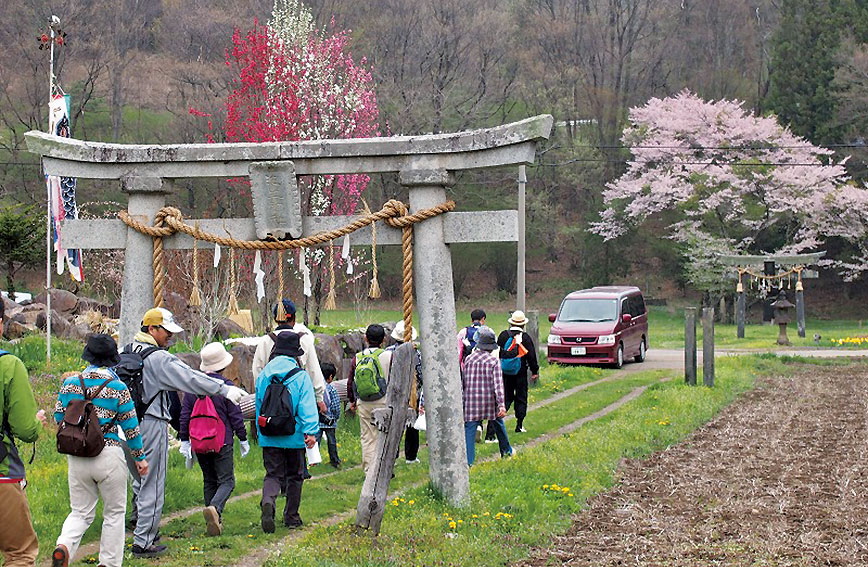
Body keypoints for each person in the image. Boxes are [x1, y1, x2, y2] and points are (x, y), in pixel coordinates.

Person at [128, 307, 248, 558]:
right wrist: (223, 390)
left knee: (138, 481)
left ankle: (139, 524)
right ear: (152, 329)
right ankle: (144, 541)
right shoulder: (159, 359)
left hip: (125, 425)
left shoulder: (126, 351)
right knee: (153, 481)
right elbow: (191, 378)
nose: (170, 337)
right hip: (151, 423)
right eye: (166, 331)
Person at [52, 334, 149, 567]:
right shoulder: (118, 388)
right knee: (114, 514)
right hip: (109, 453)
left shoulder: (71, 383)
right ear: (111, 359)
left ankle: (64, 545)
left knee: (80, 512)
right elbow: (131, 427)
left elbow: (58, 417)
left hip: (78, 456)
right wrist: (140, 459)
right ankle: (108, 563)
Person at [178, 342, 250, 537]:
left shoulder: (193, 388)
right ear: (223, 365)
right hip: (222, 440)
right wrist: (243, 438)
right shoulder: (226, 388)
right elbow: (235, 415)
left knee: (209, 480)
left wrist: (184, 440)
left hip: (199, 442)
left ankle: (214, 521)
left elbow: (185, 415)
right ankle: (215, 510)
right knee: (227, 481)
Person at [0, 299, 48, 567]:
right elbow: (26, 430)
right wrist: (36, 421)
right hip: (2, 474)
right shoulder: (9, 365)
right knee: (19, 553)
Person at [255, 331, 319, 532]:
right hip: (294, 435)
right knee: (294, 475)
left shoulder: (264, 374)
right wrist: (310, 432)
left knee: (272, 474)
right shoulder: (300, 376)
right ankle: (291, 516)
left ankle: (268, 501)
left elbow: (259, 405)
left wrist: (261, 431)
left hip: (270, 434)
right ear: (295, 354)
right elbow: (307, 407)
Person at [252, 299, 327, 415]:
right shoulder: (304, 340)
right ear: (294, 318)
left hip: (272, 400)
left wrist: (262, 397)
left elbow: (257, 372)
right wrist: (319, 398)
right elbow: (313, 371)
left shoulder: (265, 341)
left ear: (275, 319)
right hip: (299, 398)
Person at [462, 326, 513, 465]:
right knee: (498, 424)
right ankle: (507, 451)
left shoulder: (468, 360)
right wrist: (501, 405)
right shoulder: (493, 361)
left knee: (469, 429)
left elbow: (464, 381)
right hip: (489, 401)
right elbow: (498, 385)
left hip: (471, 401)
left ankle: (468, 461)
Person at [346, 324, 392, 474]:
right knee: (384, 436)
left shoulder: (358, 358)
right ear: (383, 340)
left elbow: (351, 380)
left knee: (367, 437)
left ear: (365, 338)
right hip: (384, 401)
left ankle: (369, 471)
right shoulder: (389, 356)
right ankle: (384, 470)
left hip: (364, 402)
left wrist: (352, 400)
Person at [386, 321, 424, 464]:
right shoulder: (416, 353)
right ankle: (411, 456)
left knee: (393, 426)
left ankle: (392, 456)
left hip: (393, 393)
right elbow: (420, 375)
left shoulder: (388, 352)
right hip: (410, 394)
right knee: (411, 426)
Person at [496, 310, 540, 434]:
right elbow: (531, 355)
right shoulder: (525, 338)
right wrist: (534, 370)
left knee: (505, 397)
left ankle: (496, 423)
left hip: (505, 372)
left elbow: (497, 352)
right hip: (520, 373)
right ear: (523, 324)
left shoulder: (503, 335)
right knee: (521, 397)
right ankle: (519, 425)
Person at [316, 363, 341, 469]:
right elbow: (335, 405)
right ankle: (334, 460)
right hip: (329, 420)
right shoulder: (331, 389)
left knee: (316, 441)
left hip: (318, 420)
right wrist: (336, 417)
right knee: (331, 441)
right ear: (330, 377)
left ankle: (315, 461)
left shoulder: (316, 388)